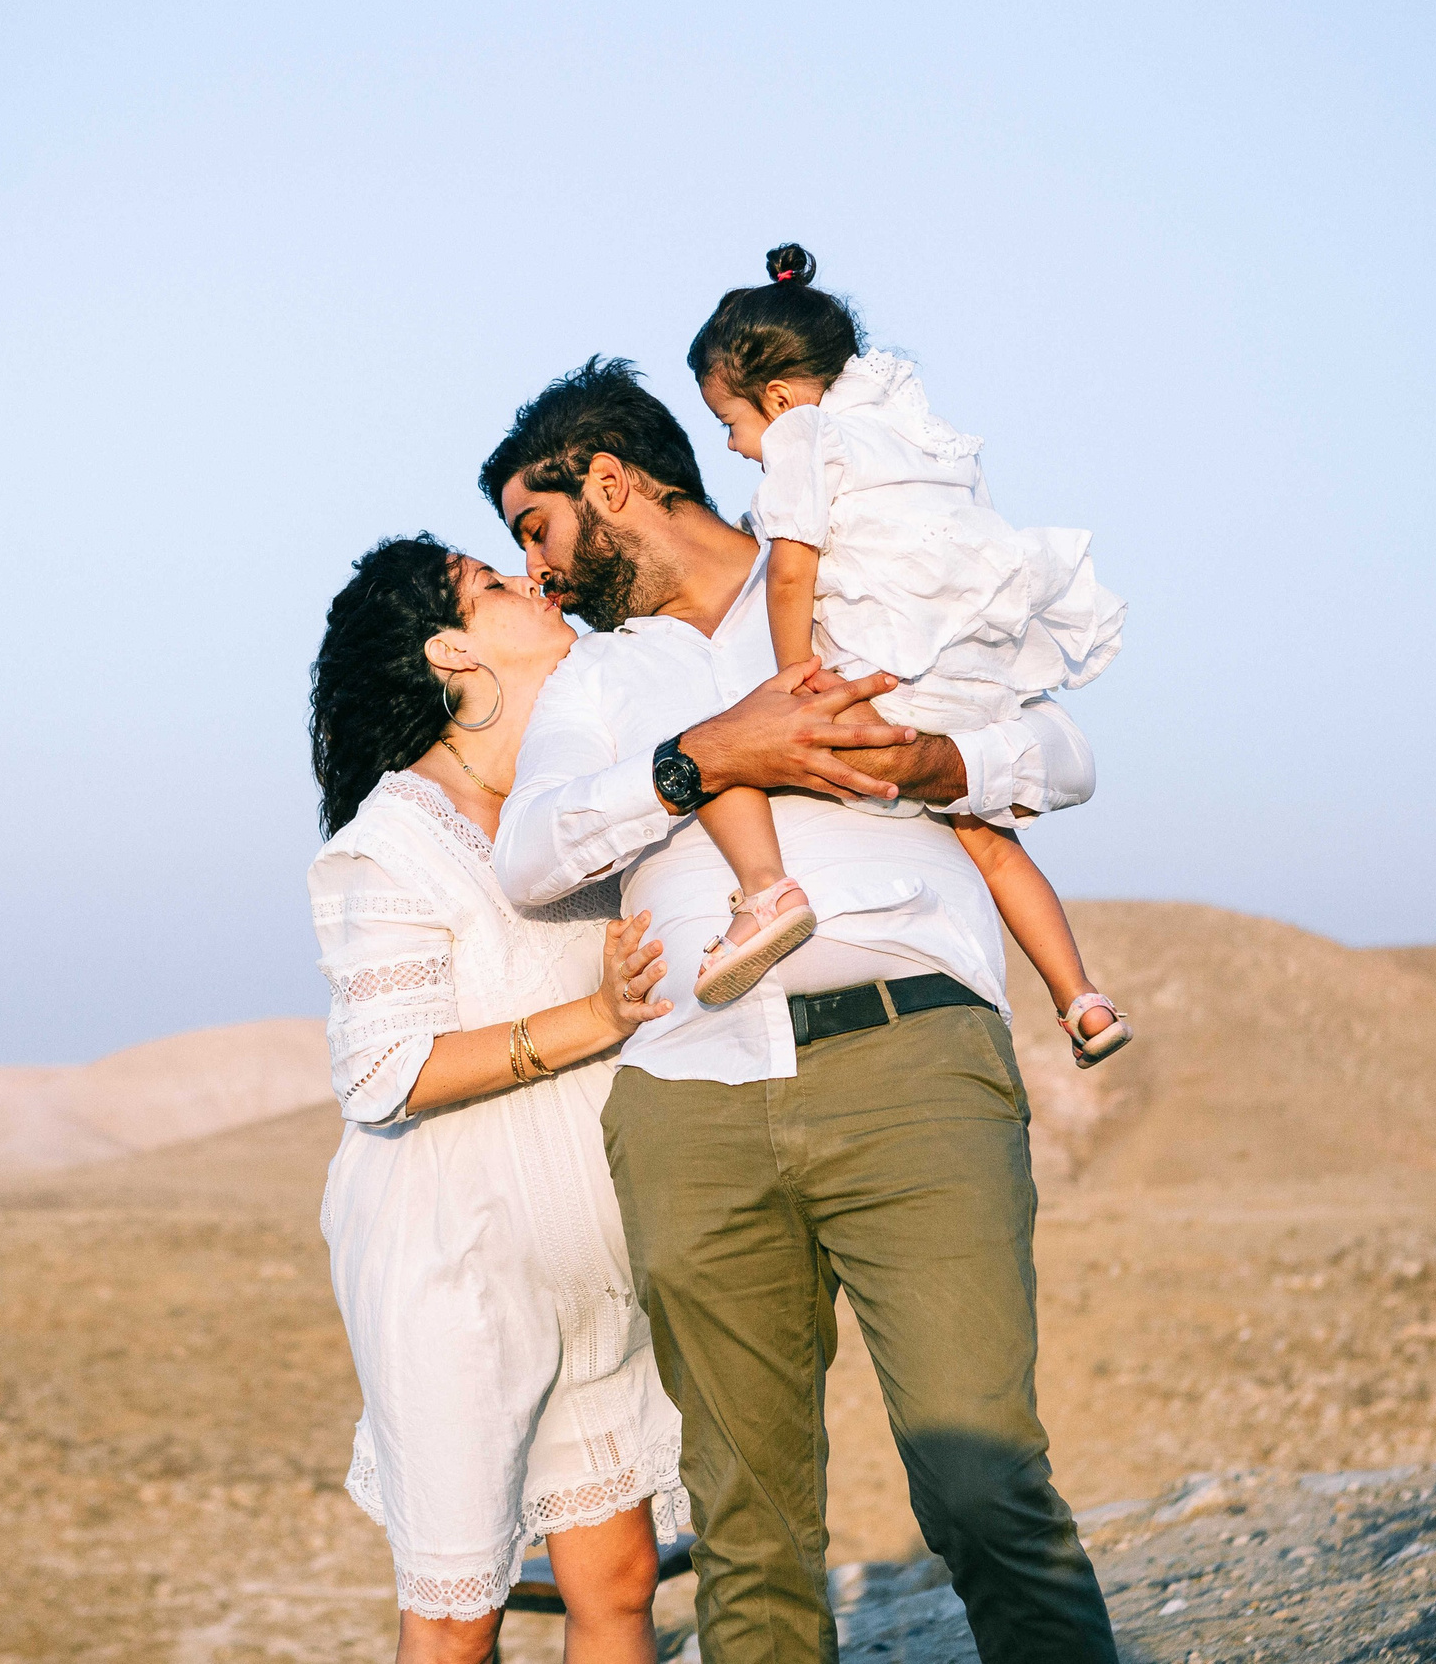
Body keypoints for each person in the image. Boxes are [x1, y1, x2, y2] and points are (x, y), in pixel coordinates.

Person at [483, 360, 1122, 1664]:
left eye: (538, 531)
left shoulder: (851, 574)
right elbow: (533, 852)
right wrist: (706, 756)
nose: (539, 576)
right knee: (749, 1528)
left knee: (985, 1487)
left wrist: (955, 761)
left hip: (912, 1061)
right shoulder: (599, 685)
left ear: (611, 482)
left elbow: (1066, 753)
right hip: (691, 1106)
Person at [306, 535, 691, 1664]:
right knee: (458, 1608)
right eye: (495, 583)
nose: (535, 583)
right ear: (449, 651)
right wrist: (596, 1021)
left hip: (595, 1252)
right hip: (450, 1260)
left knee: (618, 1580)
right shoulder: (392, 843)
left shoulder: (565, 805)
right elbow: (385, 1071)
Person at [678, 245, 1132, 1071]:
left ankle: (768, 894)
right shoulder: (923, 432)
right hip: (977, 673)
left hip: (891, 672)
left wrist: (792, 678)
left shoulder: (803, 438)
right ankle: (1082, 998)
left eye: (731, 425)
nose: (739, 447)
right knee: (991, 842)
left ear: (777, 399)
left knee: (716, 742)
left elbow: (790, 570)